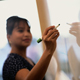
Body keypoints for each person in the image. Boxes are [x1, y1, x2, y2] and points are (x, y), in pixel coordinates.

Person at [2, 16, 59, 80]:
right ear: (9, 37)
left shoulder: (27, 59)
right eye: (20, 30)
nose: (27, 34)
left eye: (28, 30)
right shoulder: (11, 62)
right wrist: (48, 50)